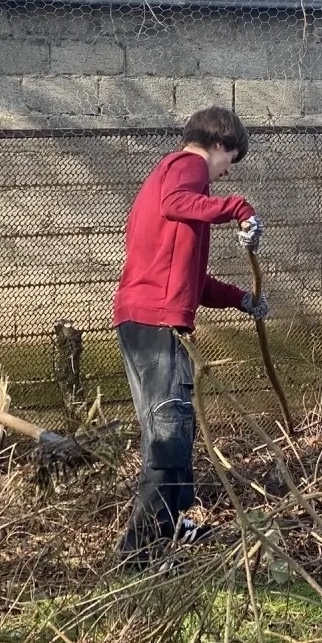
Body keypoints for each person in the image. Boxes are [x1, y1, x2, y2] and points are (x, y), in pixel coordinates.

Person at [111, 106, 268, 569]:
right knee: (168, 432)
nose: (221, 174)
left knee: (176, 424)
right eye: (229, 161)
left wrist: (243, 299)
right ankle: (139, 554)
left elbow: (194, 283)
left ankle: (174, 525)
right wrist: (238, 208)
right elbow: (177, 202)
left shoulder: (179, 186)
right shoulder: (186, 167)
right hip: (155, 322)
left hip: (150, 318)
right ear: (221, 144)